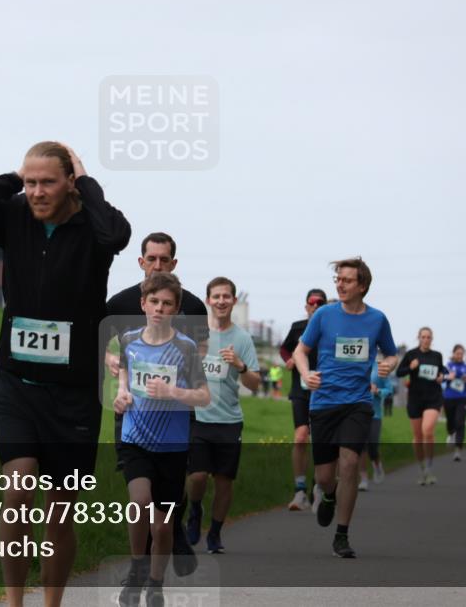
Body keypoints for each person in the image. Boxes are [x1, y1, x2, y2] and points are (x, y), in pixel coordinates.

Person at [0, 142, 131, 607]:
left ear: (70, 182)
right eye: (30, 182)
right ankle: (13, 601)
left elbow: (115, 238)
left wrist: (87, 182)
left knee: (60, 515)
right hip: (16, 384)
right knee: (19, 487)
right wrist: (12, 179)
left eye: (48, 182)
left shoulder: (94, 225)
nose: (37, 192)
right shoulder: (13, 214)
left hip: (74, 394)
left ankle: (51, 602)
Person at [105, 232, 207, 574]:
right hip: (133, 413)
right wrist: (113, 367)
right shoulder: (118, 305)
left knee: (166, 499)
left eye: (165, 259)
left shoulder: (192, 306)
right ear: (141, 262)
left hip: (176, 417)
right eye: (152, 259)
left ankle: (169, 536)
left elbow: (199, 360)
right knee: (140, 495)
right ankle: (145, 559)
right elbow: (102, 343)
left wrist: (177, 386)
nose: (157, 264)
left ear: (174, 263)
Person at [293, 257, 398, 558]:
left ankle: (342, 535)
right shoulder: (324, 315)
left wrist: (388, 365)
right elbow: (302, 351)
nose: (339, 284)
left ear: (362, 286)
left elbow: (391, 355)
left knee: (350, 464)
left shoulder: (377, 319)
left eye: (347, 280)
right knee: (326, 477)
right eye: (337, 279)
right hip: (324, 402)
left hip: (358, 402)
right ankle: (327, 495)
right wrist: (305, 373)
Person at [185, 277, 261, 553]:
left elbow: (254, 383)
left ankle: (215, 532)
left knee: (223, 481)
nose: (221, 301)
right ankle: (194, 510)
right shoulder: (195, 333)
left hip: (229, 420)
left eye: (226, 297)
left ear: (234, 301)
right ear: (208, 300)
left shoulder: (242, 338)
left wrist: (240, 366)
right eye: (215, 296)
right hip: (198, 417)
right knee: (197, 477)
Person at [279, 288, 328, 511]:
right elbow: (284, 348)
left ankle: (319, 487)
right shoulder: (298, 327)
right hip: (300, 389)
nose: (316, 306)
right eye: (312, 303)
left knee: (320, 440)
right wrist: (289, 360)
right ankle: (300, 491)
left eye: (320, 303)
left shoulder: (331, 329)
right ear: (306, 306)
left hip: (324, 391)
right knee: (300, 438)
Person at [397, 328, 445, 485]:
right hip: (416, 399)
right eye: (423, 337)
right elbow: (399, 372)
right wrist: (410, 367)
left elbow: (442, 370)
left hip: (433, 398)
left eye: (428, 337)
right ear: (418, 338)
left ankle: (429, 468)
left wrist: (442, 376)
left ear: (432, 339)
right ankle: (421, 467)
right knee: (418, 437)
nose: (426, 339)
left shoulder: (436, 355)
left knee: (427, 431)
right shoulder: (411, 354)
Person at [358, 353, 394, 491]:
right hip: (357, 412)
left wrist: (378, 390)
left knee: (373, 446)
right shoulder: (355, 365)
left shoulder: (380, 367)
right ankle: (363, 478)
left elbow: (389, 390)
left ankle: (377, 465)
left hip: (375, 414)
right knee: (361, 447)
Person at [443, 344, 466, 462]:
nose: (460, 355)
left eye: (462, 354)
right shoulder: (448, 365)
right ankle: (451, 433)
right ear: (453, 354)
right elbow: (440, 378)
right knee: (450, 421)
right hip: (448, 397)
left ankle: (458, 450)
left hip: (462, 398)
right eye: (457, 353)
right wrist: (448, 377)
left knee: (460, 422)